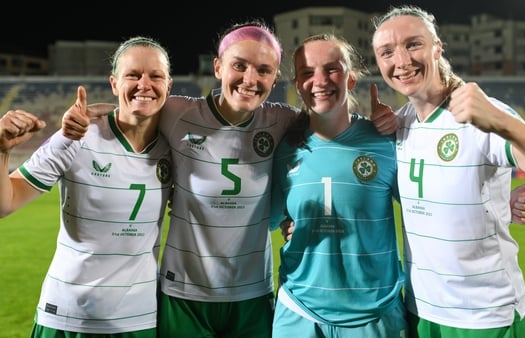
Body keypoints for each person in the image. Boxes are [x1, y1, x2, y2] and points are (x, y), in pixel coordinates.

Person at [61, 20, 398, 338]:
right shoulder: (178, 113)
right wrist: (89, 114)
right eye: (239, 66)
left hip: (252, 290)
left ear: (275, 78)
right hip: (184, 292)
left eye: (263, 70)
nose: (250, 79)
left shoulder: (282, 120)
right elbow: (136, 105)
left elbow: (330, 122)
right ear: (218, 67)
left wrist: (380, 121)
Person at [370, 5, 525, 338]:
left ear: (437, 48)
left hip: (484, 315)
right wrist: (501, 204)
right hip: (420, 310)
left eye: (413, 44)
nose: (401, 60)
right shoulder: (399, 126)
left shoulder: (482, 114)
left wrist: (502, 121)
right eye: (387, 52)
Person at [0, 36, 173, 337]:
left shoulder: (178, 145)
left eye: (155, 75)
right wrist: (2, 151)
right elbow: (6, 203)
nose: (144, 84)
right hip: (67, 315)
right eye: (132, 75)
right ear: (114, 83)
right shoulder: (77, 135)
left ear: (169, 86)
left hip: (139, 320)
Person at [270, 33, 407, 337]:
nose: (320, 80)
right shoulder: (284, 150)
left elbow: (429, 205)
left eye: (331, 69)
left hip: (375, 314)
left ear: (351, 78)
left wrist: (500, 200)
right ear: (297, 86)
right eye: (307, 72)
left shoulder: (386, 143)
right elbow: (261, 218)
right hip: (299, 312)